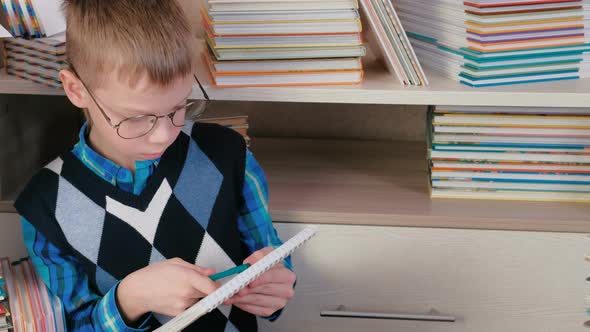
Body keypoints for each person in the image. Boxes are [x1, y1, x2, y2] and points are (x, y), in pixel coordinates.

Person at [14, 1, 295, 330]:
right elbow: (77, 324)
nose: (164, 135)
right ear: (76, 89)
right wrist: (131, 298)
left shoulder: (226, 153)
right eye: (136, 118)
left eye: (179, 107)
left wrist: (275, 282)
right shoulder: (45, 204)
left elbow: (271, 253)